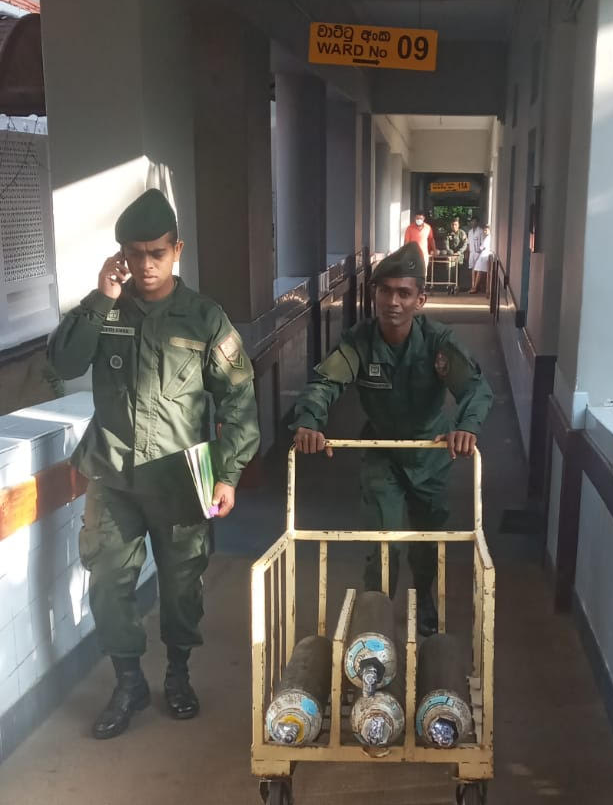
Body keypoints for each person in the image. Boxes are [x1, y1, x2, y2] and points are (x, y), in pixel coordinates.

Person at [48, 188, 261, 740]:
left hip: (180, 479)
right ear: (121, 254)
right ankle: (128, 683)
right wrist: (99, 298)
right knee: (107, 583)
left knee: (182, 586)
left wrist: (228, 474)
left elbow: (237, 398)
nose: (145, 265)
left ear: (177, 251)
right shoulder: (107, 309)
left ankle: (177, 674)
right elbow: (63, 363)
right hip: (113, 473)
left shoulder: (204, 317)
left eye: (157, 253)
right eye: (134, 253)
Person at [291, 243, 492, 636]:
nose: (393, 302)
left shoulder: (437, 343)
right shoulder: (359, 341)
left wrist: (467, 427)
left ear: (420, 300)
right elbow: (326, 383)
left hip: (430, 452)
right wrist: (310, 422)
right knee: (385, 542)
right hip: (382, 452)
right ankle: (376, 617)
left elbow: (475, 388)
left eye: (404, 293)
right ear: (374, 294)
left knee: (427, 540)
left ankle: (425, 596)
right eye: (385, 291)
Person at [471, 223, 492, 294]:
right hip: (482, 255)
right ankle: (474, 287)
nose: (485, 231)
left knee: (479, 271)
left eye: (486, 230)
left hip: (485, 256)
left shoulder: (489, 238)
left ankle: (475, 287)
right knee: (476, 270)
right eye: (484, 230)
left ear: (490, 230)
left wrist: (478, 250)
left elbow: (482, 247)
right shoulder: (487, 237)